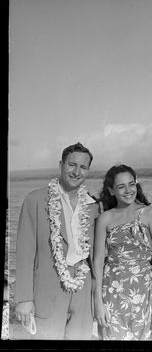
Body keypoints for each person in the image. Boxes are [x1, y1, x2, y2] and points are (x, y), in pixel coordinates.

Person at [14, 142, 99, 339]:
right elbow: (25, 253)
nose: (77, 172)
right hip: (47, 290)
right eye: (72, 165)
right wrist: (24, 299)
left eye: (83, 167)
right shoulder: (35, 200)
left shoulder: (93, 206)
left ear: (88, 170)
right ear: (61, 164)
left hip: (83, 292)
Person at [93, 164, 152, 340]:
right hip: (112, 290)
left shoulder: (149, 213)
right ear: (111, 191)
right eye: (121, 186)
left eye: (131, 184)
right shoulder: (105, 218)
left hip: (145, 289)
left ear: (136, 184)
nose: (128, 190)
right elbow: (97, 260)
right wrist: (97, 300)